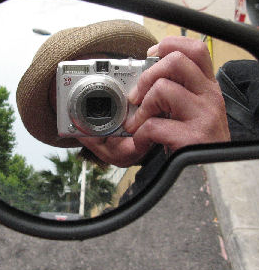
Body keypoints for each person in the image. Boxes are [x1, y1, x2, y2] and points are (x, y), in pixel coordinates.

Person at [16, 19, 231, 172]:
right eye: (70, 106)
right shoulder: (126, 210)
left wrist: (217, 143)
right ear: (70, 131)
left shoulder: (239, 84)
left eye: (109, 80)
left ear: (142, 72)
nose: (97, 110)